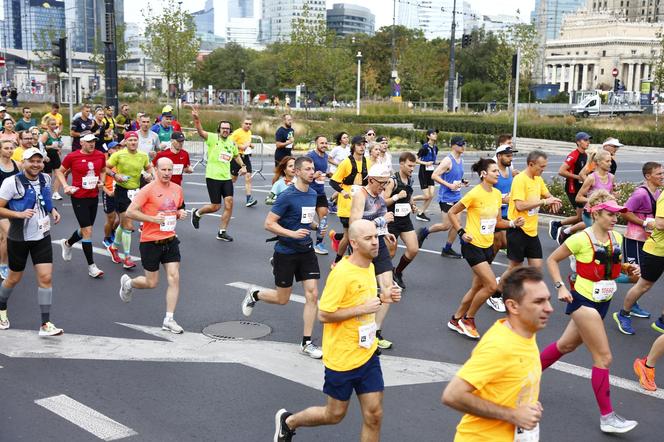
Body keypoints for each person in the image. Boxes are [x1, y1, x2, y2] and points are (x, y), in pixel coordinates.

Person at [273, 220, 401, 442]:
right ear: (354, 242)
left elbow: (365, 300)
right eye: (368, 238)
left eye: (375, 237)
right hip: (342, 358)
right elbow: (324, 315)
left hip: (367, 353)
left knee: (374, 415)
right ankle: (289, 422)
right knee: (334, 414)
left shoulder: (369, 266)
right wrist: (363, 308)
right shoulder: (342, 274)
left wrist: (383, 297)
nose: (375, 242)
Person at [541, 190, 639, 433]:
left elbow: (614, 268)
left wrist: (629, 271)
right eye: (610, 214)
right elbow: (552, 260)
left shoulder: (616, 237)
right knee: (603, 358)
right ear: (595, 214)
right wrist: (560, 287)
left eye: (617, 214)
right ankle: (607, 417)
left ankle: (522, 375)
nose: (615, 218)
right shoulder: (579, 239)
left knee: (565, 346)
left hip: (603, 301)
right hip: (583, 301)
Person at [442, 267, 552, 442]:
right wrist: (513, 415)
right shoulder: (499, 346)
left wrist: (527, 402)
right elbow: (452, 395)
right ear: (513, 306)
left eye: (548, 300)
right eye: (538, 302)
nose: (549, 308)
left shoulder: (526, 332)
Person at [241, 156, 324, 359]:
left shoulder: (312, 194)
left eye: (313, 168)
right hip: (286, 252)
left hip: (306, 251)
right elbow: (269, 224)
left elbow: (305, 218)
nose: (312, 172)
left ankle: (306, 342)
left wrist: (315, 225)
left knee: (312, 295)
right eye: (307, 169)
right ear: (296, 172)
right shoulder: (287, 196)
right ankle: (255, 294)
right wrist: (292, 234)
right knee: (282, 299)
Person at [447, 158, 525, 340]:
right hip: (472, 245)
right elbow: (452, 212)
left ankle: (456, 319)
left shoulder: (497, 194)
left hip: (488, 246)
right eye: (494, 171)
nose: (498, 174)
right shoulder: (474, 193)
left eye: (498, 171)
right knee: (491, 286)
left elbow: (498, 221)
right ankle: (468, 319)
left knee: (476, 287)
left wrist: (513, 223)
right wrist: (461, 231)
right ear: (483, 174)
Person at [119, 157, 187, 334]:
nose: (166, 173)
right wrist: (152, 219)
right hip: (150, 241)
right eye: (163, 170)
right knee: (151, 283)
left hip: (170, 240)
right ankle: (129, 284)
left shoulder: (178, 189)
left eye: (169, 170)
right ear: (156, 170)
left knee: (174, 277)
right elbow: (130, 212)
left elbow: (179, 207)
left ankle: (169, 319)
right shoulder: (147, 190)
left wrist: (181, 213)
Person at [0, 148, 63, 336]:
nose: (36, 165)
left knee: (46, 278)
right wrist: (18, 214)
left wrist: (53, 211)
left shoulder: (45, 178)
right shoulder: (12, 182)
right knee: (13, 278)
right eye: (31, 161)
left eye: (39, 161)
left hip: (42, 236)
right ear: (23, 162)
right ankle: (1, 310)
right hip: (19, 238)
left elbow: (44, 199)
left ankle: (45, 324)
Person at [350, 163, 400, 350]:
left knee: (388, 289)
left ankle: (375, 332)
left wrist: (385, 231)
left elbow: (378, 221)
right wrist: (381, 221)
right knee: (362, 293)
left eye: (387, 183)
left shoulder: (379, 196)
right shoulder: (360, 195)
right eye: (381, 183)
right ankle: (356, 329)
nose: (384, 186)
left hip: (378, 244)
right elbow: (355, 224)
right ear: (370, 180)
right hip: (361, 248)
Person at [614, 180, 664, 335]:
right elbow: (661, 224)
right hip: (657, 250)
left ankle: (662, 321)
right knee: (644, 285)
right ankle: (623, 313)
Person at [190, 107, 246, 241]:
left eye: (227, 128)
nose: (225, 130)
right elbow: (201, 132)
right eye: (223, 128)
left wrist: (243, 165)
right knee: (216, 206)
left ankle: (222, 231)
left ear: (230, 130)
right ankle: (197, 213)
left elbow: (236, 156)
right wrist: (197, 119)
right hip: (213, 177)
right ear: (219, 130)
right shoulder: (213, 138)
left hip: (226, 178)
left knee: (229, 203)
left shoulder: (232, 143)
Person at [56, 131, 107, 278]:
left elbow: (103, 170)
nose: (92, 144)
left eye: (94, 141)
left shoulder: (99, 155)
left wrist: (101, 181)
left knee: (86, 229)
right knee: (88, 231)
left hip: (93, 196)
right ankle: (92, 267)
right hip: (78, 197)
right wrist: (65, 186)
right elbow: (60, 172)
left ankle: (67, 243)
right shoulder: (72, 156)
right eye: (89, 141)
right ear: (81, 143)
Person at [504, 150, 562, 272]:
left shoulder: (538, 179)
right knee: (515, 268)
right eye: (541, 166)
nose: (544, 169)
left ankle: (528, 290)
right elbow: (519, 205)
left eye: (545, 166)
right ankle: (498, 290)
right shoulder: (520, 179)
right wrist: (544, 202)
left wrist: (554, 201)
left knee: (536, 268)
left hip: (532, 231)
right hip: (518, 229)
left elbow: (548, 195)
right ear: (531, 164)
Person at [105, 131, 154, 268]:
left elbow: (149, 168)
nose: (133, 142)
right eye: (130, 140)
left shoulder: (143, 155)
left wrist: (151, 176)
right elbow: (105, 168)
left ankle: (114, 248)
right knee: (128, 225)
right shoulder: (118, 155)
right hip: (121, 192)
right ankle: (127, 258)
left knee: (123, 224)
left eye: (135, 140)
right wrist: (115, 175)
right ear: (125, 142)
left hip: (136, 193)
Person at [417, 135, 469, 258]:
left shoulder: (461, 160)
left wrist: (462, 181)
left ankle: (447, 248)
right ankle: (425, 232)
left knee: (457, 223)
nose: (463, 147)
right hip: (446, 198)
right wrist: (449, 186)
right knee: (446, 226)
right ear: (453, 146)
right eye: (461, 144)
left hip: (457, 196)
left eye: (464, 144)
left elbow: (454, 176)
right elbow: (434, 175)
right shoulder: (448, 160)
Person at [329, 135, 370, 266]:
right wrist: (342, 192)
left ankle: (353, 258)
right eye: (359, 144)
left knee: (359, 234)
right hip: (347, 204)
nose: (362, 147)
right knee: (349, 236)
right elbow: (333, 182)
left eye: (364, 144)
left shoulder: (368, 162)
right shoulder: (346, 162)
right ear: (353, 146)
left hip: (362, 202)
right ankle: (337, 261)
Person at [384, 152, 419, 290]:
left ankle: (397, 272)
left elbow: (409, 195)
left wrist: (412, 205)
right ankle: (375, 275)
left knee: (413, 249)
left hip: (405, 220)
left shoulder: (410, 180)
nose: (412, 169)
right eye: (410, 166)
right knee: (390, 254)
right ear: (402, 164)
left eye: (414, 166)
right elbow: (383, 202)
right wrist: (397, 197)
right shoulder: (392, 181)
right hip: (392, 221)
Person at [549, 132, 590, 243]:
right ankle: (559, 226)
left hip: (581, 188)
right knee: (581, 217)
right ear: (578, 142)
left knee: (581, 217)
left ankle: (566, 233)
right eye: (585, 140)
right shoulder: (574, 155)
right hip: (572, 188)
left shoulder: (585, 155)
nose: (588, 142)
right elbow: (561, 171)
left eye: (588, 140)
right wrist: (578, 177)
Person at [575, 150, 616, 228]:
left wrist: (614, 196)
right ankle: (568, 231)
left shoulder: (611, 177)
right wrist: (594, 200)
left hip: (604, 213)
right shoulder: (591, 178)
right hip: (590, 213)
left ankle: (567, 231)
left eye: (610, 161)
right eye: (607, 161)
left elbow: (609, 196)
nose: (610, 163)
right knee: (595, 235)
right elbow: (578, 198)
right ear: (599, 162)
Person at [306, 135, 330, 255]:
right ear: (316, 143)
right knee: (306, 219)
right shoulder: (310, 156)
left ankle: (319, 243)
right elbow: (303, 170)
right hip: (309, 192)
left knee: (324, 219)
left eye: (326, 143)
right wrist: (313, 175)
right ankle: (303, 240)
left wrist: (328, 174)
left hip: (320, 192)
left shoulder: (325, 156)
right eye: (322, 143)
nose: (324, 145)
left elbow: (324, 171)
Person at [0, 140, 20, 279]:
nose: (9, 150)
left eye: (11, 148)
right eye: (6, 148)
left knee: (3, 236)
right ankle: (3, 265)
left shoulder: (17, 165)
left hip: (13, 205)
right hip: (0, 205)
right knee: (8, 234)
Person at [229, 117, 258, 207]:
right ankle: (225, 194)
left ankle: (248, 199)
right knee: (233, 179)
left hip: (245, 157)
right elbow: (230, 142)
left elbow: (247, 144)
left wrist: (250, 146)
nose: (248, 125)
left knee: (248, 177)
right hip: (236, 157)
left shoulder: (249, 132)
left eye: (250, 124)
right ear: (242, 124)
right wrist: (242, 146)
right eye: (246, 123)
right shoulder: (237, 132)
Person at [414, 129, 439, 222]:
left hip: (431, 172)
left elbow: (433, 161)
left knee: (431, 195)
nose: (435, 135)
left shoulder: (436, 148)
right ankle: (411, 199)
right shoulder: (424, 147)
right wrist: (425, 163)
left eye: (436, 134)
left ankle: (420, 213)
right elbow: (416, 159)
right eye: (433, 134)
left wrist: (439, 163)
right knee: (427, 196)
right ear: (428, 136)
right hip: (423, 172)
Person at [39, 117, 64, 201]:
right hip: (48, 157)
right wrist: (51, 146)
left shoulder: (56, 133)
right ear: (48, 125)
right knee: (48, 176)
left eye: (55, 124)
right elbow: (41, 146)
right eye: (52, 124)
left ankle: (56, 192)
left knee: (59, 173)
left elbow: (58, 143)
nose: (54, 126)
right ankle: (46, 192)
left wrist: (59, 147)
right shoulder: (46, 134)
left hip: (55, 156)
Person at [101, 141, 120, 248]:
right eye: (114, 148)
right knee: (111, 218)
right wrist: (108, 192)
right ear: (109, 151)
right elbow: (100, 182)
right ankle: (106, 238)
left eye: (119, 148)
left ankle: (112, 231)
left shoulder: (122, 163)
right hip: (109, 193)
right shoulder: (106, 164)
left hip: (120, 194)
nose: (117, 150)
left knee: (122, 218)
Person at [327, 132, 350, 213]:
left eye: (347, 137)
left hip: (344, 172)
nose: (347, 139)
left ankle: (332, 204)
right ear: (340, 140)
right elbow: (329, 158)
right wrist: (338, 164)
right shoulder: (337, 149)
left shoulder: (349, 149)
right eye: (344, 137)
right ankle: (331, 202)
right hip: (335, 171)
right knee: (341, 188)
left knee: (341, 188)